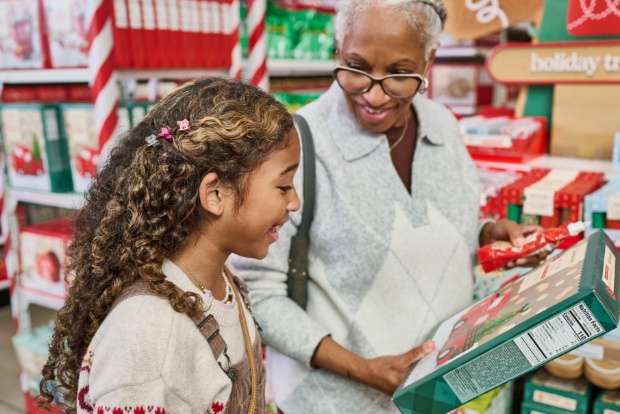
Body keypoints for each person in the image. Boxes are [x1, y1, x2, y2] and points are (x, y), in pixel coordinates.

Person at [228, 1, 547, 412]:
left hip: (441, 393)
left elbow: (434, 218)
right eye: (356, 67)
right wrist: (363, 369)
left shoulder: (444, 127)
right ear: (338, 48)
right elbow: (257, 293)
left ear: (429, 59)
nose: (374, 95)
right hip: (336, 402)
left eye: (399, 74)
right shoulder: (301, 145)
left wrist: (486, 232)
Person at [39, 77, 301, 414]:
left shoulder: (222, 282)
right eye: (283, 186)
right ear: (215, 194)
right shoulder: (149, 343)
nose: (294, 202)